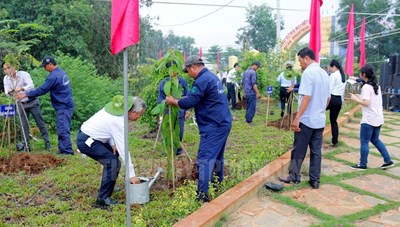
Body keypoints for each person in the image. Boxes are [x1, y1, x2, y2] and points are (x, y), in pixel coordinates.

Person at [165, 55, 232, 202]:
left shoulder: (201, 81)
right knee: (217, 157)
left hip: (213, 126)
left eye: (188, 71)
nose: (188, 74)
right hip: (223, 122)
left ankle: (202, 196)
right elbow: (199, 98)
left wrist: (173, 101)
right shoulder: (211, 77)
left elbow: (190, 101)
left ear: (193, 67)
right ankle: (218, 185)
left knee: (204, 159)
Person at [76, 95, 146, 207]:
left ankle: (109, 186)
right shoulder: (118, 120)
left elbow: (107, 126)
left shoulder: (117, 109)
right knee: (112, 163)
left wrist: (112, 143)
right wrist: (132, 175)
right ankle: (102, 200)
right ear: (132, 112)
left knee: (114, 156)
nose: (138, 118)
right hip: (87, 141)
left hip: (94, 137)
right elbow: (124, 148)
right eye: (139, 115)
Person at [278, 47, 330, 189]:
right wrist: (320, 110)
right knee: (316, 151)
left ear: (306, 58)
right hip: (319, 120)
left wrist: (297, 118)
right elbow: (328, 98)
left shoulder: (308, 73)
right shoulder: (324, 73)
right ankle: (315, 180)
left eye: (300, 61)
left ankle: (294, 176)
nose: (300, 64)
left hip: (306, 120)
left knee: (298, 149)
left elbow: (307, 96)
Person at [15, 56, 75, 155]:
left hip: (63, 106)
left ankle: (67, 151)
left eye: (45, 66)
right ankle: (62, 149)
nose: (44, 68)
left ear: (50, 64)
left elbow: (42, 90)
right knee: (62, 127)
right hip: (67, 104)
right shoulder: (61, 72)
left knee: (63, 129)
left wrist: (26, 94)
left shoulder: (53, 76)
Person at [349, 64, 394, 170]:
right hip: (378, 118)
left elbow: (367, 102)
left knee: (364, 141)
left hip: (369, 119)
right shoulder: (377, 85)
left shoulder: (366, 87)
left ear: (364, 75)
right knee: (375, 139)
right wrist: (360, 97)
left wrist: (355, 98)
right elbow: (371, 100)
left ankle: (362, 164)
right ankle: (388, 160)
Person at [2, 61, 51, 151]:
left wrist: (21, 89)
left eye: (8, 68)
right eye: (5, 69)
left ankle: (47, 142)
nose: (7, 70)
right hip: (20, 104)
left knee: (40, 123)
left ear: (14, 67)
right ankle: (26, 146)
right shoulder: (6, 79)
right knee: (23, 125)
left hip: (32, 102)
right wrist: (11, 92)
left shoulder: (23, 74)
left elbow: (31, 86)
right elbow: (7, 92)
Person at [157, 61, 189, 155]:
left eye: (175, 69)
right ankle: (168, 150)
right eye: (171, 70)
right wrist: (162, 112)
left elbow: (187, 96)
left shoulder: (182, 82)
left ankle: (178, 150)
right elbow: (160, 99)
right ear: (168, 70)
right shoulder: (164, 83)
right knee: (167, 130)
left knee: (179, 130)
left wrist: (187, 110)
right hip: (168, 112)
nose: (173, 72)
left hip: (180, 111)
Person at [327, 59, 346, 147]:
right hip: (338, 100)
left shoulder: (333, 75)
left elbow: (329, 91)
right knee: (334, 121)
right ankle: (335, 141)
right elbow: (342, 92)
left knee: (318, 113)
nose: (330, 69)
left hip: (332, 99)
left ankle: (314, 138)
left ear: (334, 67)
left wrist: (326, 104)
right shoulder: (343, 76)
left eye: (330, 67)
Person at [242, 60, 261, 125]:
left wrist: (244, 92)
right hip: (251, 92)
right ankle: (249, 121)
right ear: (255, 65)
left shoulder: (245, 72)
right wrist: (258, 93)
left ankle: (247, 118)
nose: (257, 68)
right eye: (257, 67)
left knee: (248, 106)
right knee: (252, 107)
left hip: (246, 92)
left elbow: (243, 83)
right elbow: (254, 84)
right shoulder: (253, 72)